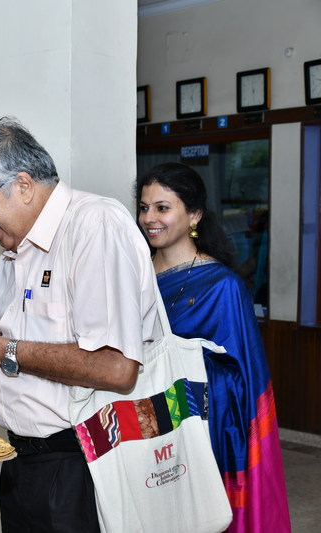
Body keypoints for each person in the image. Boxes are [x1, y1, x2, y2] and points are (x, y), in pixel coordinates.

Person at [0, 117, 160, 532]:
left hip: (83, 465)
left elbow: (115, 367)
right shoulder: (16, 248)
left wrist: (1, 350)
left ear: (23, 186)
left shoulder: (94, 225)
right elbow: (36, 348)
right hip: (25, 462)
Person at [136, 162, 290, 533]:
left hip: (201, 431)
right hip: (140, 422)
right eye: (143, 207)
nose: (149, 218)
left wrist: (181, 368)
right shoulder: (132, 275)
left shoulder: (222, 287)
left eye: (162, 207)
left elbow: (243, 380)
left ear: (194, 215)